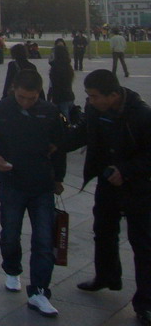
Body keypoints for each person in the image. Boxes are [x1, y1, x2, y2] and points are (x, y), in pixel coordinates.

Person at [0, 68, 66, 317]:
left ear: (39, 93)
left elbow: (60, 146)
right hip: (12, 183)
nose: (26, 103)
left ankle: (39, 291)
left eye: (31, 98)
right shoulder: (0, 109)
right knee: (10, 233)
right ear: (14, 90)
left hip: (42, 184)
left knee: (44, 240)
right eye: (21, 97)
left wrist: (59, 177)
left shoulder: (50, 112)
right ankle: (12, 269)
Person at [67, 69, 151, 325]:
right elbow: (81, 134)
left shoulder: (141, 115)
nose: (90, 101)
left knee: (142, 243)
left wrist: (126, 170)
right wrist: (54, 144)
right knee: (103, 230)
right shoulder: (95, 110)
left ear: (113, 95)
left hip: (137, 187)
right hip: (107, 182)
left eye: (94, 96)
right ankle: (106, 276)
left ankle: (145, 302)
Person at [47, 43, 75, 120]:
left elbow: (52, 85)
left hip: (60, 98)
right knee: (67, 120)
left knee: (63, 122)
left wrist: (49, 98)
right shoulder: (68, 67)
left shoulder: (55, 68)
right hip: (69, 97)